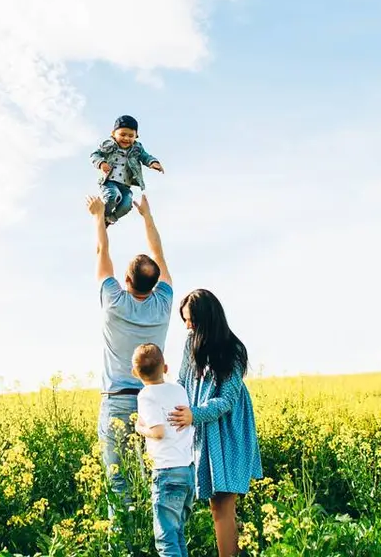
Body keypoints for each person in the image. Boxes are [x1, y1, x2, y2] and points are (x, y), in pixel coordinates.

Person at [85, 193, 173, 513]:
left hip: (117, 400)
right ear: (155, 282)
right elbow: (158, 254)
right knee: (154, 477)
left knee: (118, 481)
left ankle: (122, 538)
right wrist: (147, 217)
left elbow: (102, 251)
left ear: (125, 280)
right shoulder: (163, 303)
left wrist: (99, 216)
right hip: (154, 400)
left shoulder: (113, 300)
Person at [167, 289, 263, 557]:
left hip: (229, 430)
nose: (188, 326)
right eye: (185, 320)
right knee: (220, 506)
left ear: (206, 318)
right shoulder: (191, 343)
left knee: (221, 505)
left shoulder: (233, 349)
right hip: (204, 428)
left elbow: (227, 400)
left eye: (191, 320)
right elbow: (182, 380)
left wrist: (193, 415)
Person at [132, 343, 195, 557]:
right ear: (165, 368)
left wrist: (140, 428)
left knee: (166, 542)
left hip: (167, 473)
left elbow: (158, 432)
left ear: (135, 373)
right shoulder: (179, 390)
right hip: (187, 471)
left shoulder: (146, 395)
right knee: (177, 534)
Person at [89, 115, 164, 226]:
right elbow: (94, 155)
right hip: (109, 182)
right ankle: (102, 215)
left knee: (127, 204)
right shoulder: (109, 145)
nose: (126, 138)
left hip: (125, 186)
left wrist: (152, 162)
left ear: (136, 136)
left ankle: (109, 220)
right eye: (122, 134)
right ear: (113, 134)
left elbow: (145, 156)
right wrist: (101, 163)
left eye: (131, 136)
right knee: (113, 196)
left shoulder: (137, 149)